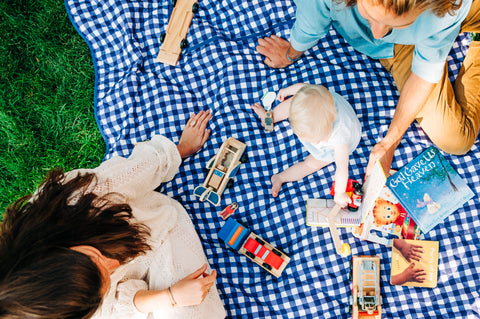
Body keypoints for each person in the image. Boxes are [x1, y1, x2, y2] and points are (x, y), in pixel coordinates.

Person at [0, 110, 227, 319]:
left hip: (160, 237)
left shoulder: (86, 198)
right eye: (100, 286)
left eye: (95, 257)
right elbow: (113, 307)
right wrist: (169, 297)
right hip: (135, 299)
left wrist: (180, 149)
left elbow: (140, 170)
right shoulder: (65, 306)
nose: (112, 264)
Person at [256, 0, 480, 177]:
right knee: (455, 138)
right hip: (401, 50)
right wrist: (290, 53)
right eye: (370, 16)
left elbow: (425, 71)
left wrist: (390, 142)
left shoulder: (445, 7)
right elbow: (310, 22)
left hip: (456, 13)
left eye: (396, 24)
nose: (377, 34)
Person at [252, 83, 362, 205]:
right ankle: (269, 117)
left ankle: (280, 177)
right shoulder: (315, 95)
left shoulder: (340, 136)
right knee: (296, 103)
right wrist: (287, 91)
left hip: (336, 145)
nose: (312, 144)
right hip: (320, 106)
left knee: (311, 164)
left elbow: (342, 169)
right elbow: (302, 88)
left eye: (316, 140)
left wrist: (340, 193)